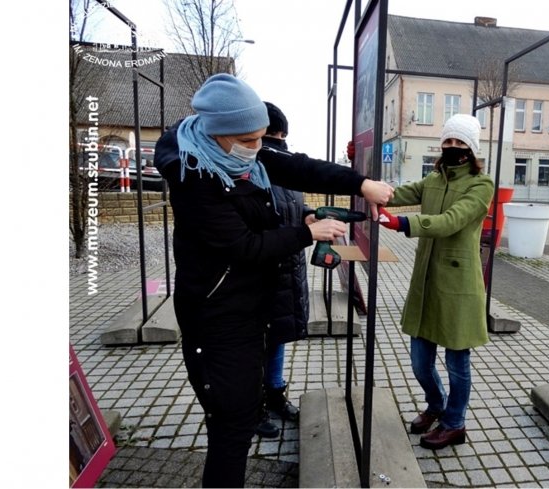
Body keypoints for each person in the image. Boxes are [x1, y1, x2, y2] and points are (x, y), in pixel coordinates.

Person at [154, 73, 392, 487]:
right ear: (218, 133)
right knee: (232, 426)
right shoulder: (193, 177)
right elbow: (244, 246)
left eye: (261, 138)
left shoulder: (236, 155)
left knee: (240, 418)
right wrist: (306, 234)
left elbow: (300, 169)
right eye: (249, 139)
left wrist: (361, 184)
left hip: (248, 311)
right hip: (217, 320)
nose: (257, 148)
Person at [375, 114, 494, 450]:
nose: (453, 147)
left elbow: (450, 221)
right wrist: (365, 186)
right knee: (419, 362)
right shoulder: (432, 179)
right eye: (448, 141)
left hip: (458, 285)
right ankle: (436, 405)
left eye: (460, 142)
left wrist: (403, 224)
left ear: (471, 148)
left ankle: (455, 423)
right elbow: (397, 193)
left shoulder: (481, 185)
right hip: (426, 281)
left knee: (457, 362)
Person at [253, 102, 312, 438]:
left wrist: (308, 214)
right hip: (261, 273)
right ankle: (254, 407)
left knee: (276, 339)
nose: (279, 143)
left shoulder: (284, 168)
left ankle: (275, 394)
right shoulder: (251, 168)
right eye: (275, 136)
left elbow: (292, 204)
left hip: (287, 270)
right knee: (256, 344)